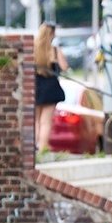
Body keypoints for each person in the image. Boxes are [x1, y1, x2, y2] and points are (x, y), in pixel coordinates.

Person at [33, 23, 67, 153]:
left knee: (35, 120)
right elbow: (64, 67)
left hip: (36, 87)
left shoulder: (33, 50)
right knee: (46, 121)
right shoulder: (54, 50)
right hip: (51, 87)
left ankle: (33, 148)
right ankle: (42, 149)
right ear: (51, 34)